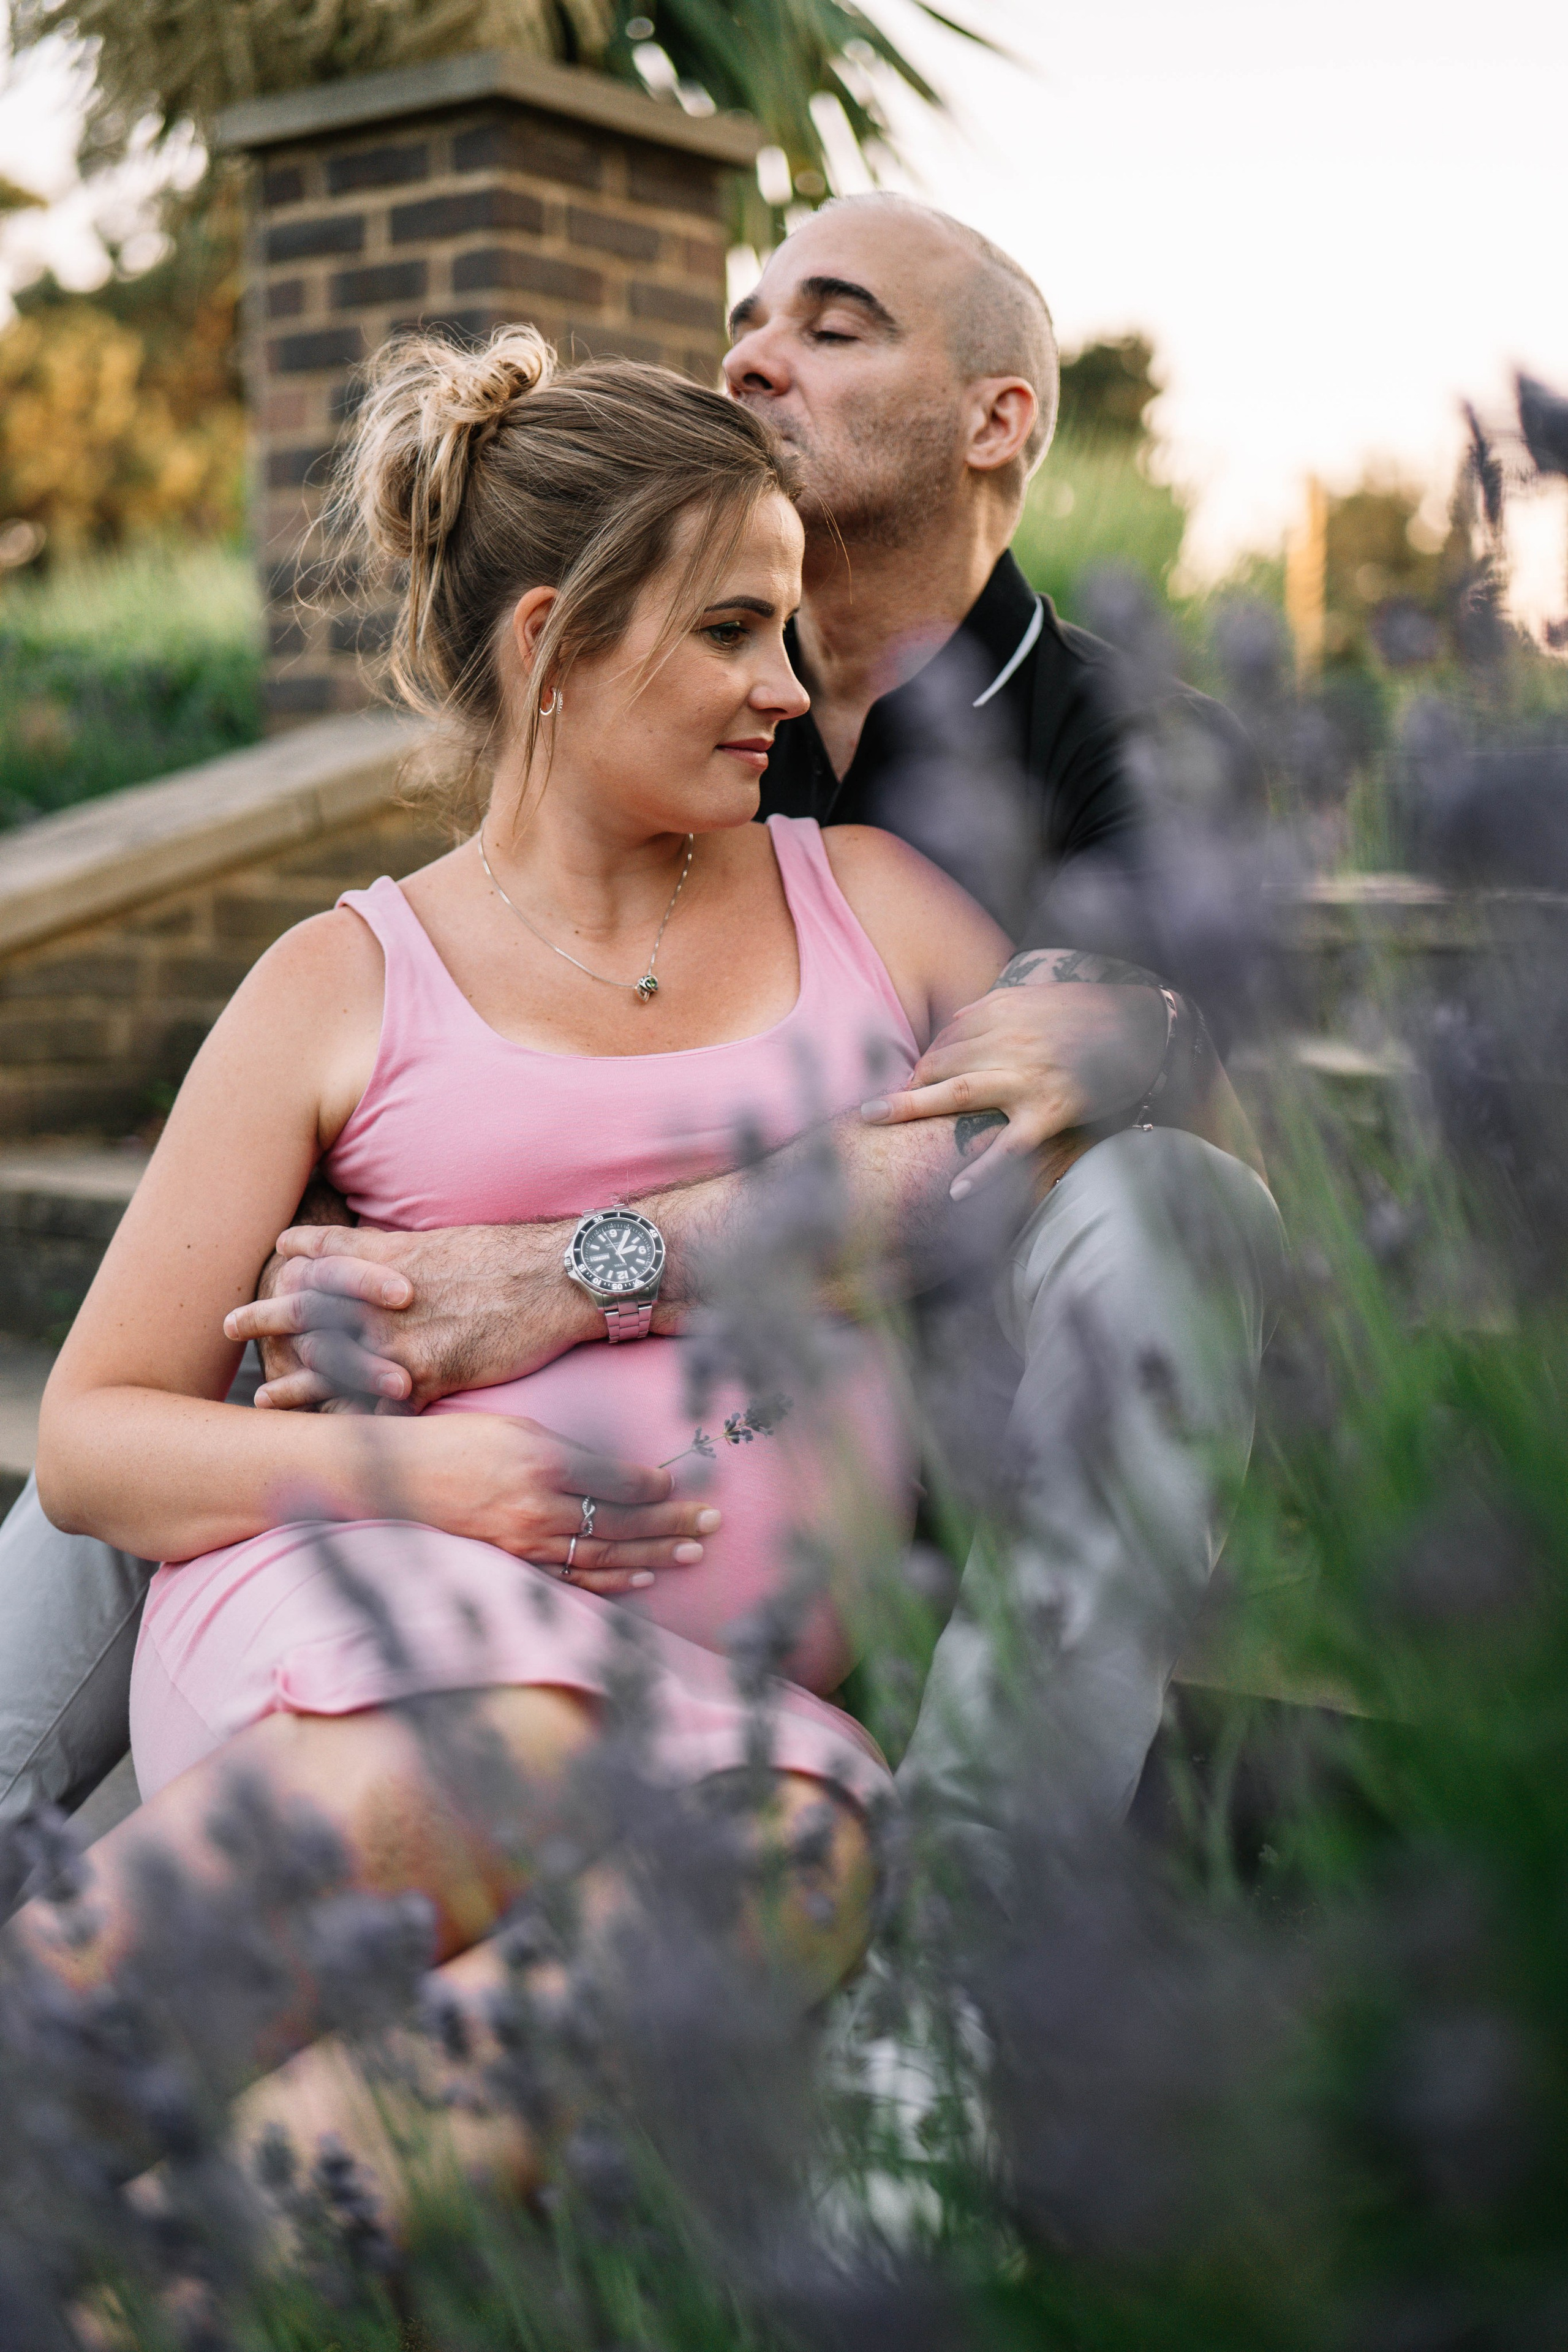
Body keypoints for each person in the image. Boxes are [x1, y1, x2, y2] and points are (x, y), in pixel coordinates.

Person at [17, 328, 1195, 2202]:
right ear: (551, 639)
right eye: (734, 632)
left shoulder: (871, 909)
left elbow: (1081, 1071)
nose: (791, 693)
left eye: (792, 631)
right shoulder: (343, 981)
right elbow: (93, 1443)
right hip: (384, 1615)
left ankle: (154, 2284)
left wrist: (1124, 1030)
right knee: (502, 1746)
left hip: (732, 1710)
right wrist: (443, 1474)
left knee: (796, 1859)